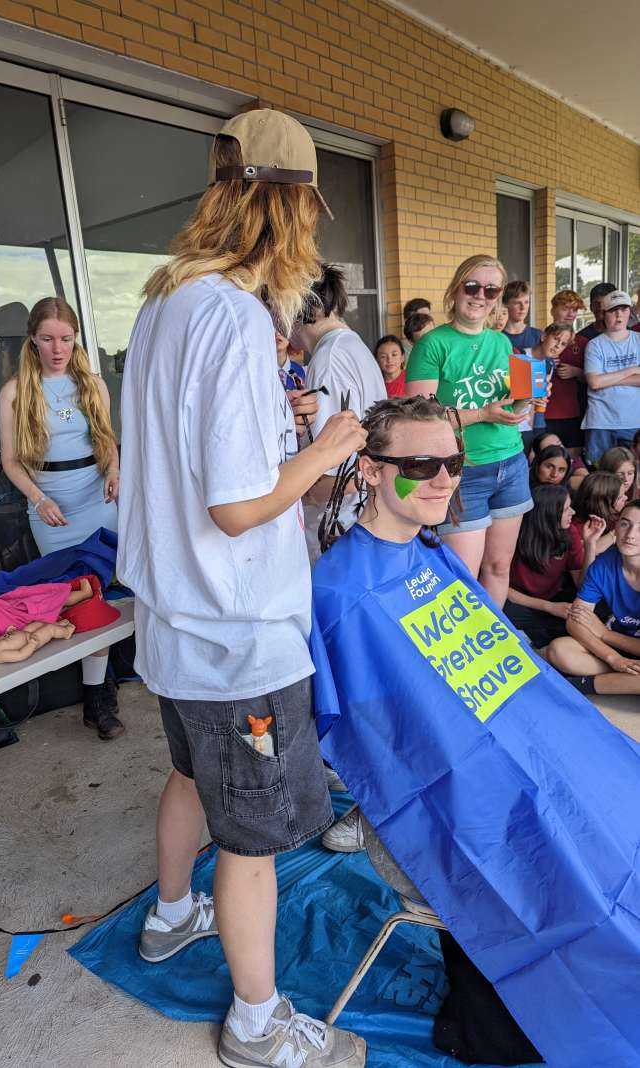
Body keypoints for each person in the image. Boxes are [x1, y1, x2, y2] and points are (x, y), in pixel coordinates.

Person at [116, 109, 367, 1068]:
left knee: (190, 774)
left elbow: (192, 462)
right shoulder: (227, 313)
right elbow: (234, 506)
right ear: (291, 208)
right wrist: (329, 445)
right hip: (235, 631)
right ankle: (256, 1024)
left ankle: (171, 917)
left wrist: (280, 428)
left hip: (179, 628)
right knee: (253, 839)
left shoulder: (167, 302)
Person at [310, 396, 640, 1067]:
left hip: (523, 761)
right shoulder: (342, 593)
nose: (444, 478)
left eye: (453, 462)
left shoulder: (430, 551)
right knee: (581, 891)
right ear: (370, 470)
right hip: (453, 806)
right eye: (420, 463)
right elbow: (378, 746)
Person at [0, 296, 124, 741]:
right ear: (33, 339)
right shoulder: (16, 391)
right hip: (50, 508)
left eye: (66, 339)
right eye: (48, 339)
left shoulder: (91, 384)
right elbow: (11, 461)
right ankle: (97, 694)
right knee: (73, 596)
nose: (58, 348)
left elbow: (107, 441)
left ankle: (98, 697)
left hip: (96, 498)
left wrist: (113, 469)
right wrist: (37, 498)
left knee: (98, 591)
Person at [406, 254, 530, 608]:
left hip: (511, 461)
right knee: (461, 576)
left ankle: (493, 643)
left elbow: (511, 402)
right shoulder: (433, 344)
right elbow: (420, 418)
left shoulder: (502, 343)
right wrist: (482, 414)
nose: (480, 296)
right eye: (472, 286)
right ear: (456, 288)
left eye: (491, 290)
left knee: (498, 566)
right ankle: (462, 655)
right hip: (464, 470)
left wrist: (530, 398)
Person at [291, 263, 386, 563]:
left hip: (337, 524)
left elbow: (329, 473)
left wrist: (293, 493)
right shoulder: (351, 345)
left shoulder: (328, 360)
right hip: (359, 512)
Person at [545, 500, 640, 696]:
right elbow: (575, 620)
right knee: (558, 650)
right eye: (625, 524)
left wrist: (606, 635)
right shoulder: (604, 564)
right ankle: (626, 677)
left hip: (614, 638)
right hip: (616, 649)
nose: (631, 535)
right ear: (616, 526)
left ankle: (579, 686)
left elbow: (600, 631)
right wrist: (613, 658)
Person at [505, 483, 603, 648]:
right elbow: (501, 589)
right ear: (549, 513)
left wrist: (590, 544)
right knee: (505, 612)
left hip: (553, 600)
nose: (572, 512)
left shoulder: (569, 532)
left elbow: (582, 584)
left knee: (588, 611)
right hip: (519, 602)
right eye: (566, 509)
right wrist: (548, 607)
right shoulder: (516, 535)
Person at [581, 290, 640, 464]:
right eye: (613, 310)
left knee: (633, 475)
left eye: (623, 309)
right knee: (599, 476)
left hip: (633, 421)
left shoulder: (639, 341)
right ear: (603, 314)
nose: (619, 315)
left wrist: (608, 378)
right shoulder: (594, 345)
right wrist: (632, 370)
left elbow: (600, 380)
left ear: (629, 312)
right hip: (601, 422)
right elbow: (595, 381)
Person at [543, 286, 603, 452]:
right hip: (543, 412)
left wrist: (576, 372)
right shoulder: (540, 339)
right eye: (565, 308)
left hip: (573, 412)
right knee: (546, 458)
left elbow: (596, 379)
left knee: (573, 459)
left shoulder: (583, 342)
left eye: (574, 310)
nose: (570, 314)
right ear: (553, 309)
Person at [514, 321, 573, 447]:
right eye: (556, 339)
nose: (558, 346)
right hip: (511, 424)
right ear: (544, 336)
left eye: (563, 344)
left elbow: (537, 404)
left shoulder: (549, 364)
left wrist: (531, 426)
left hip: (527, 426)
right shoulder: (520, 355)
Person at [571, 471, 627, 558]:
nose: (626, 498)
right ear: (603, 503)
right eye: (620, 497)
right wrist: (618, 531)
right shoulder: (577, 528)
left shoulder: (619, 514)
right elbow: (585, 553)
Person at [501, 280, 542, 351]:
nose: (523, 307)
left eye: (526, 302)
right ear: (505, 304)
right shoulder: (496, 336)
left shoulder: (538, 336)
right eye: (517, 303)